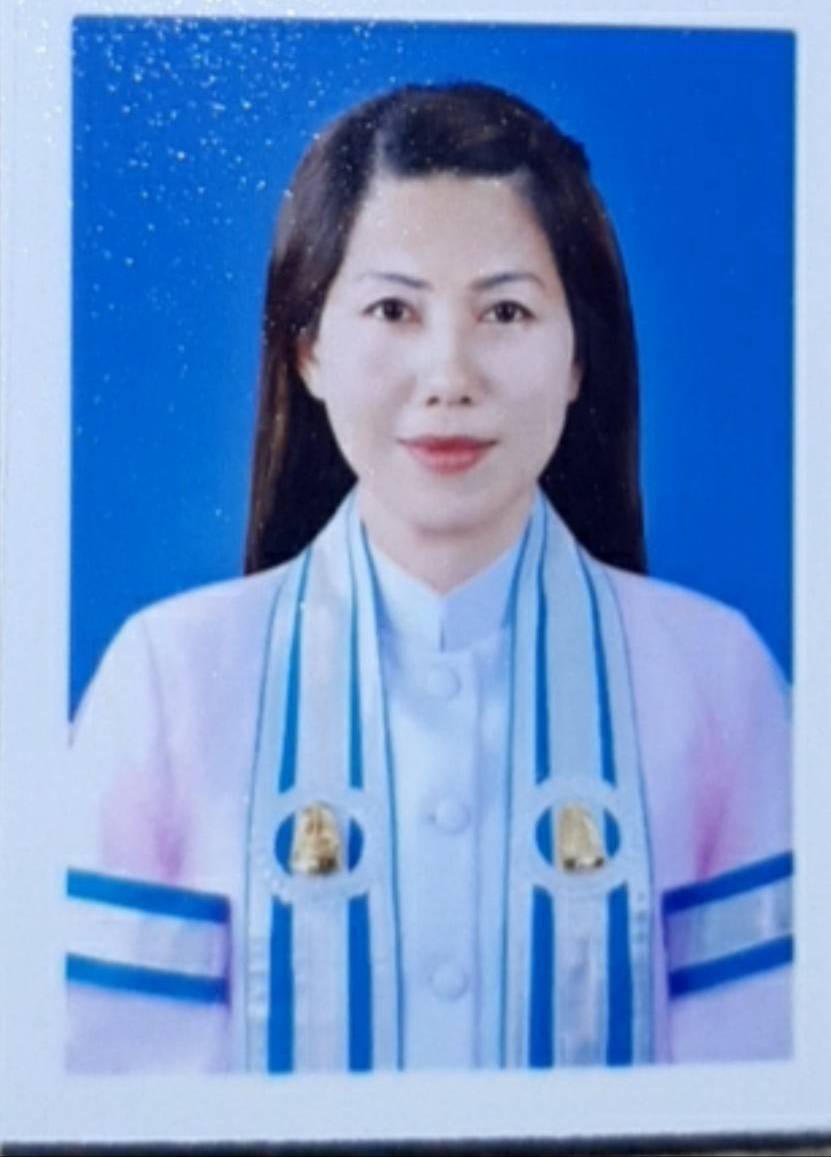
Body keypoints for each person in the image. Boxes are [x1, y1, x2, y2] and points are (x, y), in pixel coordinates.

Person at [66, 82, 792, 1074]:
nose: (449, 375)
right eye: (393, 309)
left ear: (578, 356)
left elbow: (761, 1096)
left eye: (505, 310)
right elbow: (104, 1088)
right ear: (309, 350)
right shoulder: (167, 679)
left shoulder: (719, 678)